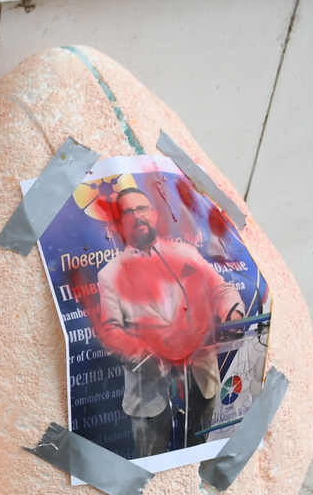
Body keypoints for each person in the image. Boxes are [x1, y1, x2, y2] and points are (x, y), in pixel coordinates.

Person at [94, 185, 245, 458]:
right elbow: (110, 331)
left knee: (202, 458)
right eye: (128, 212)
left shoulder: (185, 253)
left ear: (153, 214)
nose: (137, 216)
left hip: (202, 380)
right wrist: (142, 354)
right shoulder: (110, 274)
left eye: (142, 208)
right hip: (149, 393)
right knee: (151, 465)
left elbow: (221, 289)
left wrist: (232, 314)